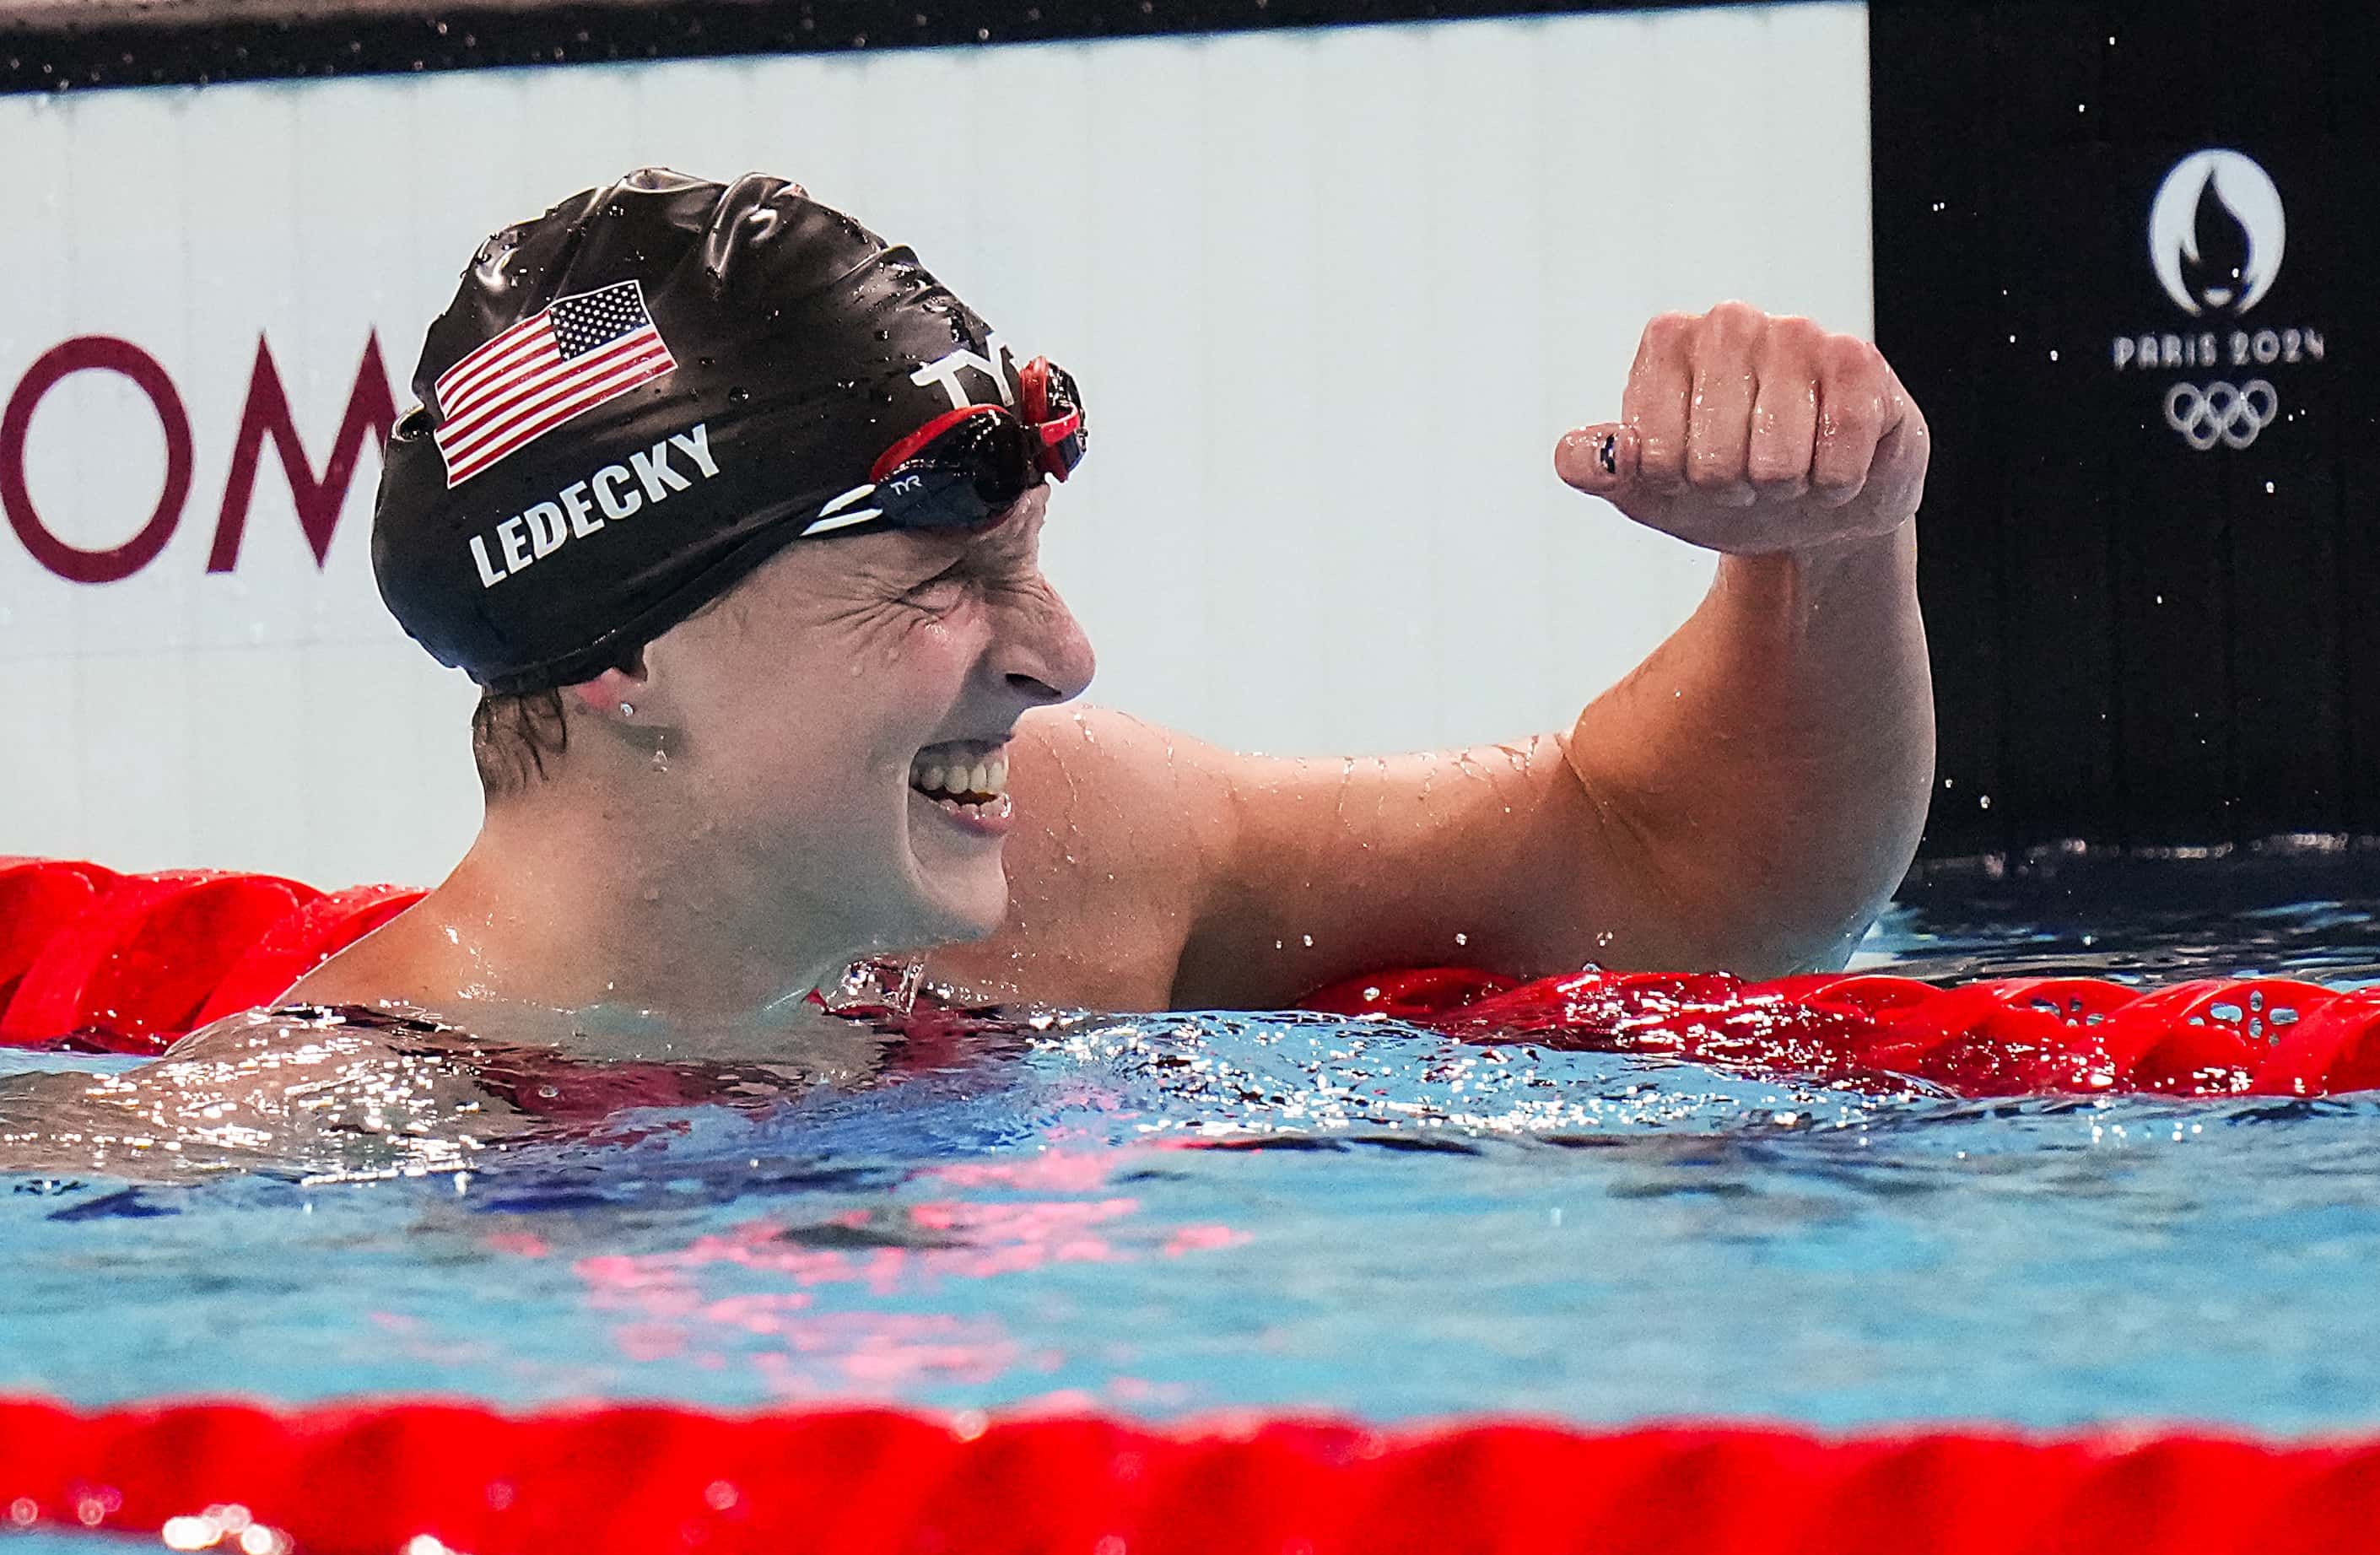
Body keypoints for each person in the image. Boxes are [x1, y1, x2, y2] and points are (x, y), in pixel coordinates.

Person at [192, 165, 1934, 1066]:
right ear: (619, 654)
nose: (1061, 655)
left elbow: (1679, 876)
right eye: (946, 580)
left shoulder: (1076, 864)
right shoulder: (331, 1149)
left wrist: (1829, 559)